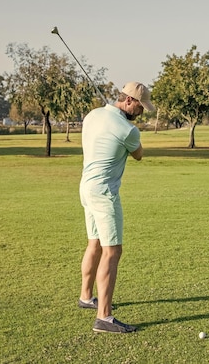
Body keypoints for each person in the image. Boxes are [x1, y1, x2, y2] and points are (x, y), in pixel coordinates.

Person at [77, 82, 155, 333]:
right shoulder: (127, 130)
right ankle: (104, 318)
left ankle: (86, 297)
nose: (142, 112)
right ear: (130, 101)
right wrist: (129, 130)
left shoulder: (93, 115)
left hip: (86, 188)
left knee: (95, 243)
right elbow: (139, 155)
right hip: (104, 194)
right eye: (141, 107)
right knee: (113, 251)